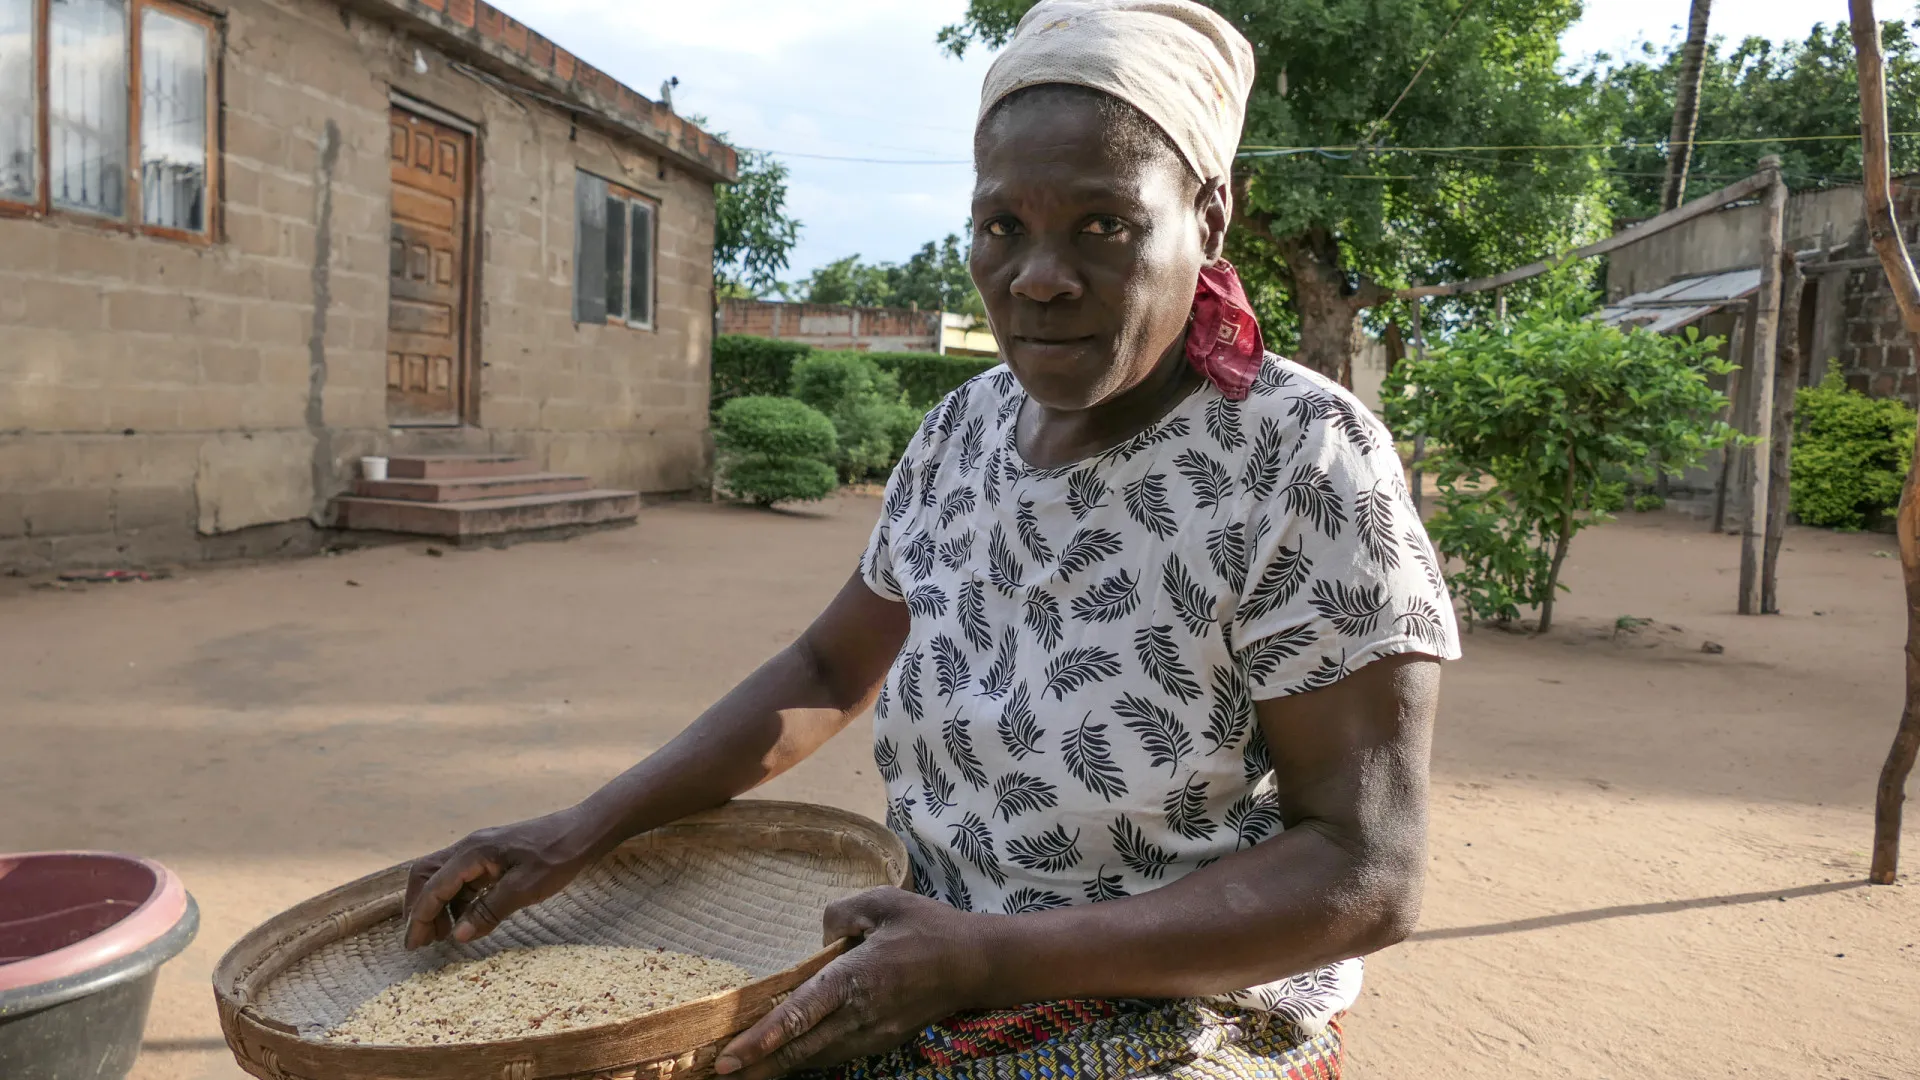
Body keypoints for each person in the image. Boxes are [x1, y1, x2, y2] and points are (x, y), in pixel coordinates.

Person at [402, 1, 1461, 1075]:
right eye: (1003, 225)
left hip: (1177, 1006)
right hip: (928, 956)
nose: (1038, 275)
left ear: (1210, 217)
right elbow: (826, 665)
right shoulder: (964, 431)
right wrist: (580, 829)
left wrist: (985, 963)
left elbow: (1361, 870)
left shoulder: (1299, 457)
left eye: (1104, 224)